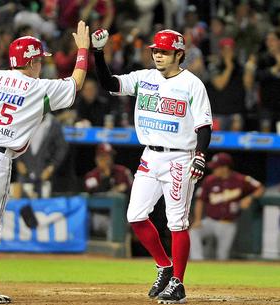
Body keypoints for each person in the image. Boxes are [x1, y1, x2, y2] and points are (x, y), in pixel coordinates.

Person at [0, 20, 90, 303]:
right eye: (39, 60)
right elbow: (77, 83)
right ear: (32, 61)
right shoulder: (38, 88)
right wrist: (83, 50)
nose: (41, 65)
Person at [91, 28, 213, 303]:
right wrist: (97, 53)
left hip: (180, 156)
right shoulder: (144, 77)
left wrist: (201, 155)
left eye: (164, 51)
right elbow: (110, 83)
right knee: (135, 215)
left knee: (177, 223)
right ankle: (164, 265)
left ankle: (178, 284)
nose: (158, 55)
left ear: (179, 54)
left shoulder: (192, 84)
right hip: (150, 155)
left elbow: (204, 125)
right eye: (155, 51)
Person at [190, 152, 265, 260]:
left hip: (228, 223)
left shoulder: (241, 179)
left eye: (216, 167)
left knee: (223, 256)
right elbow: (200, 200)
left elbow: (260, 188)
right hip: (210, 221)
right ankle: (197, 261)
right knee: (194, 231)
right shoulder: (209, 180)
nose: (213, 170)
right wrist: (197, 220)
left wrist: (249, 198)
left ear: (225, 168)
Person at [14, 112, 69, 198]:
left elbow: (62, 147)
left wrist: (51, 167)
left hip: (44, 171)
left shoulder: (53, 123)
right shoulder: (24, 119)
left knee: (44, 205)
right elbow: (15, 140)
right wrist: (18, 160)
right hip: (25, 170)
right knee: (21, 203)